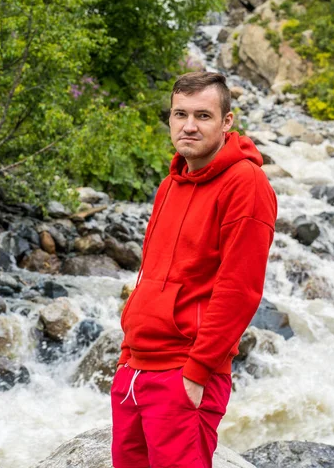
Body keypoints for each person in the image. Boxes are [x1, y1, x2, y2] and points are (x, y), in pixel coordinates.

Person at [111, 71, 277, 468]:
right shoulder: (172, 183)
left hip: (183, 372)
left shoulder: (246, 184)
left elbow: (239, 290)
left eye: (203, 116)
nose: (188, 125)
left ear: (227, 122)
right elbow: (149, 275)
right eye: (179, 114)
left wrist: (197, 373)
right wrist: (126, 354)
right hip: (135, 369)